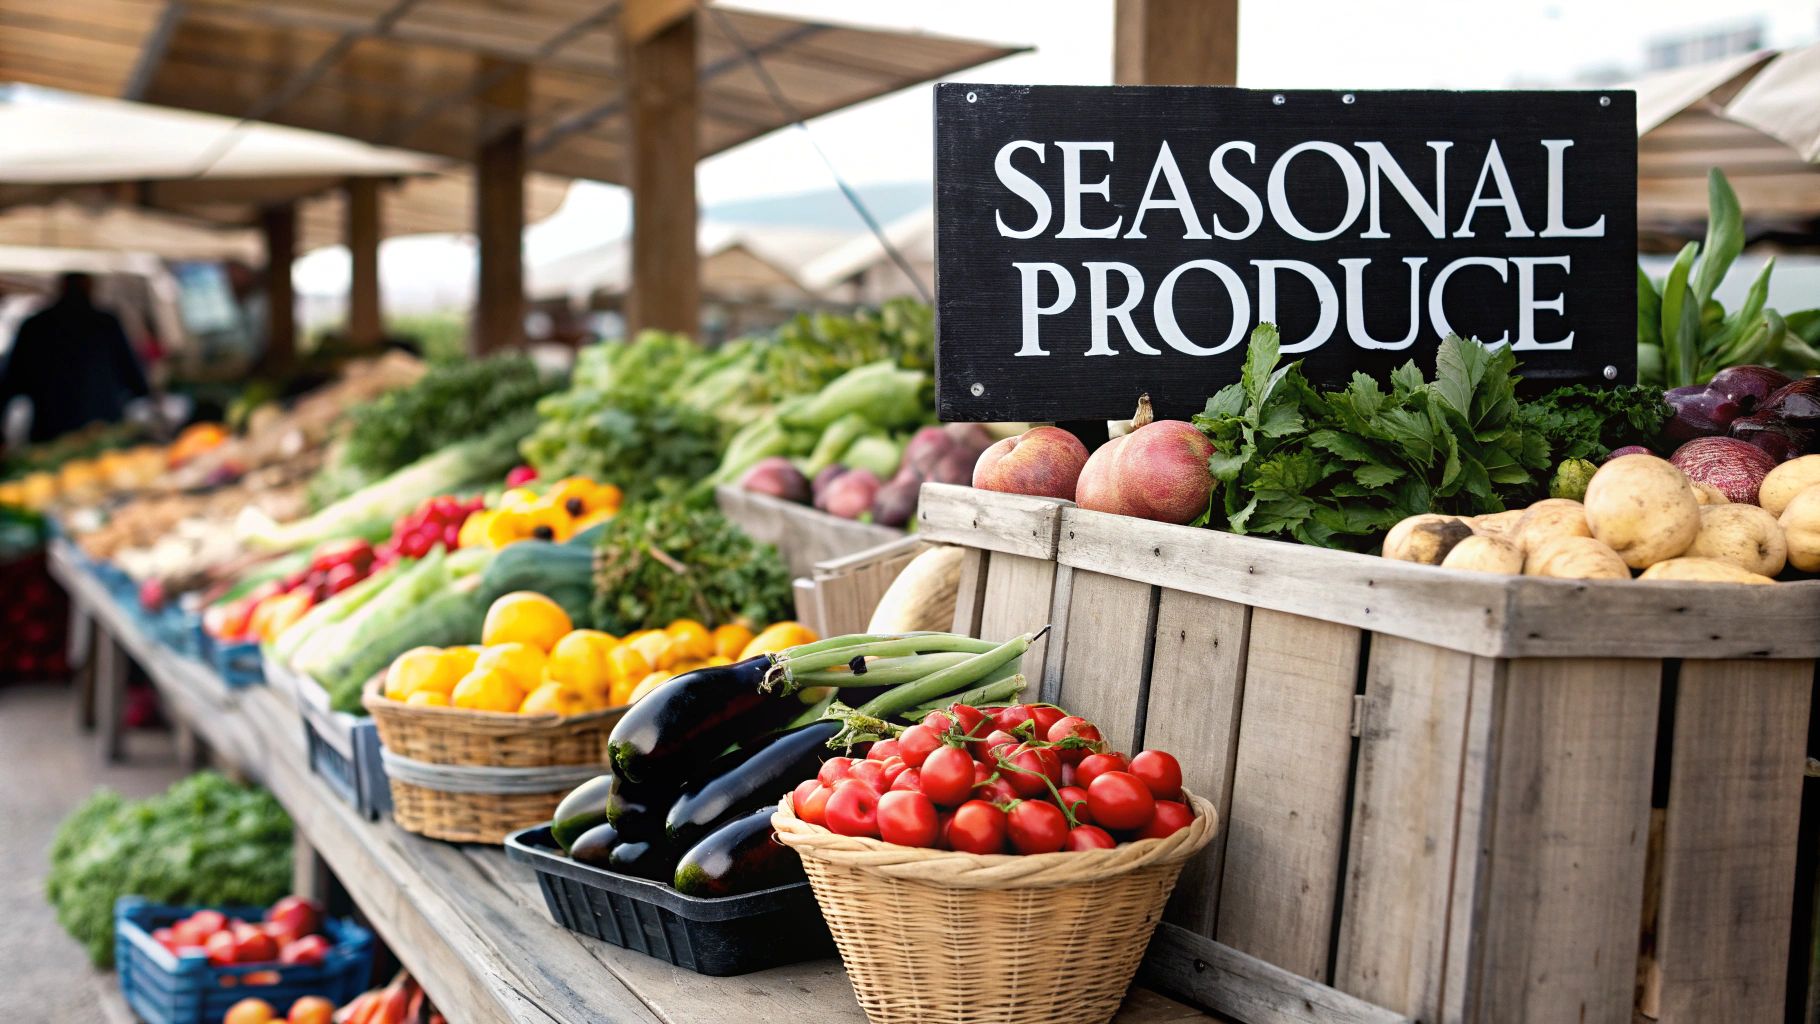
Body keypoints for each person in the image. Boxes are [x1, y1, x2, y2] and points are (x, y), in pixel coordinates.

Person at [0, 272, 151, 444]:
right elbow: (136, 380)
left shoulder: (35, 325)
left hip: (50, 427)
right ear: (90, 288)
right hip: (102, 427)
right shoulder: (105, 323)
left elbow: (11, 381)